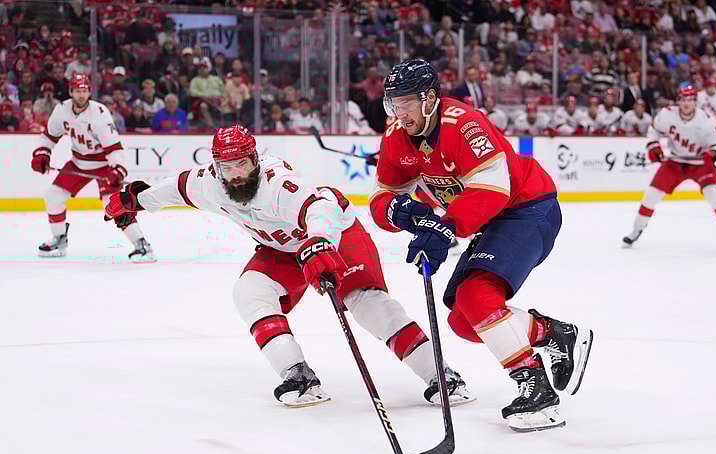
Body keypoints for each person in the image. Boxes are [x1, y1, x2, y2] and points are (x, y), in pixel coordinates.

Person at [103, 125, 475, 408]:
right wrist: (135, 200)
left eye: (243, 164)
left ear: (256, 160)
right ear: (215, 167)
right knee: (249, 291)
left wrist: (318, 242)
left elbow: (319, 208)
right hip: (282, 250)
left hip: (336, 236)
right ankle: (298, 376)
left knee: (367, 305)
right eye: (226, 166)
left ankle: (440, 375)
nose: (235, 174)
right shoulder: (208, 184)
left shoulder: (278, 183)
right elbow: (174, 188)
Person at [370, 59, 593, 432]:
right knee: (463, 320)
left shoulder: (463, 123)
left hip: (528, 208)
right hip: (491, 220)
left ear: (428, 98)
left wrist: (444, 227)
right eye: (393, 103)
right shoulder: (396, 137)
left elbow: (493, 188)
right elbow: (382, 198)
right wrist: (406, 214)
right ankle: (554, 333)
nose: (399, 111)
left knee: (476, 296)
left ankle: (536, 389)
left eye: (406, 102)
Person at [30, 73, 156, 262]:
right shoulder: (61, 110)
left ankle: (142, 245)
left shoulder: (99, 113)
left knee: (112, 205)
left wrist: (117, 169)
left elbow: (114, 147)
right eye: (77, 91)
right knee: (53, 196)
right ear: (71, 92)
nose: (81, 95)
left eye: (84, 91)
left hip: (104, 165)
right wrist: (42, 153)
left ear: (89, 92)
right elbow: (49, 136)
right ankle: (59, 239)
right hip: (78, 162)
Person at [622, 86, 716, 253]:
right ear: (678, 101)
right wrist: (654, 147)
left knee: (714, 195)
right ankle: (636, 230)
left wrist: (712, 154)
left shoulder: (706, 120)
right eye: (683, 100)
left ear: (695, 102)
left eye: (690, 100)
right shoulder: (667, 114)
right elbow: (654, 130)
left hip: (700, 164)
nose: (686, 104)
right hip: (675, 161)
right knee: (651, 196)